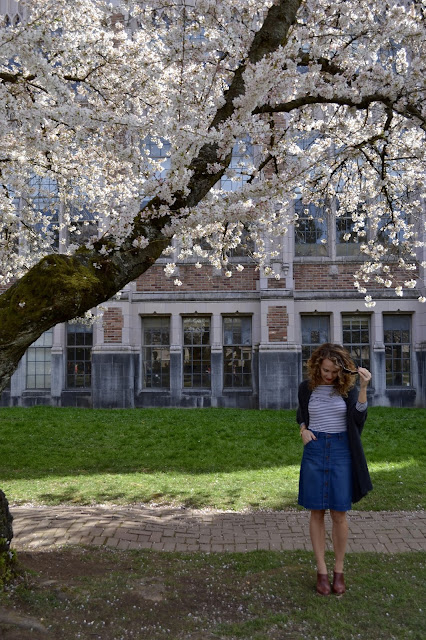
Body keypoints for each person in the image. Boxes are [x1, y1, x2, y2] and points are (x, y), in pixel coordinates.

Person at [297, 343, 373, 596]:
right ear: (317, 364)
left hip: (341, 450)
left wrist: (362, 388)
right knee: (316, 511)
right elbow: (302, 413)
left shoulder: (347, 390)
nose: (328, 375)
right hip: (315, 449)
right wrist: (303, 430)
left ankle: (339, 570)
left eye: (333, 372)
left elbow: (358, 418)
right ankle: (321, 571)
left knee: (339, 512)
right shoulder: (306, 388)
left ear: (342, 371)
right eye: (325, 370)